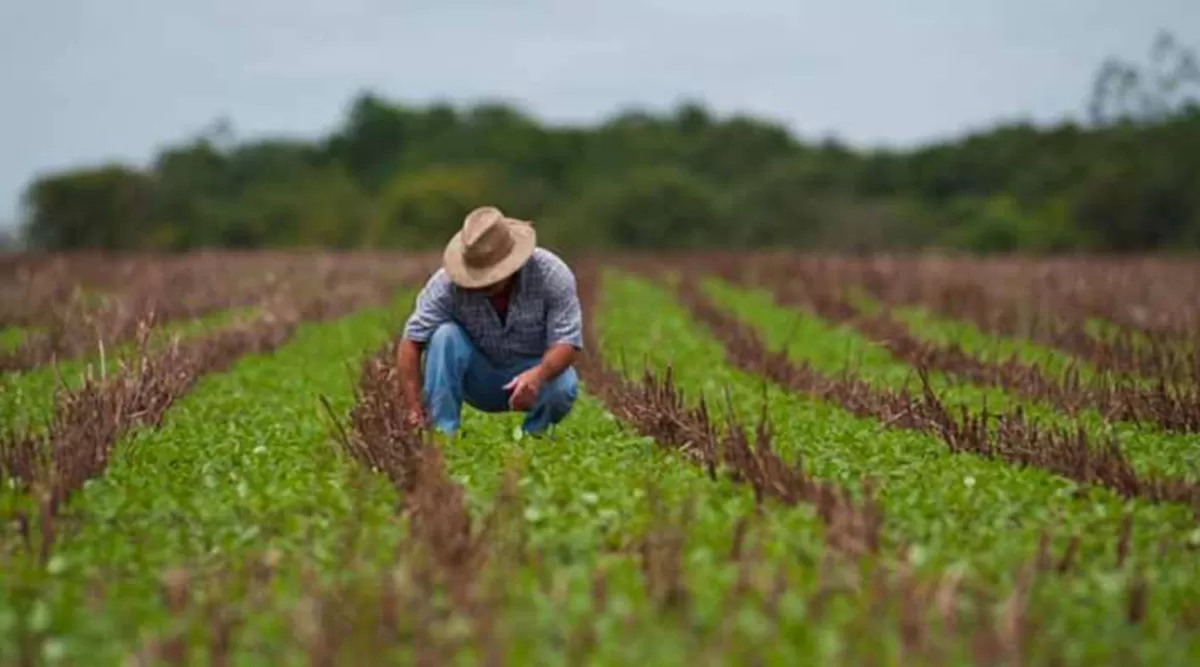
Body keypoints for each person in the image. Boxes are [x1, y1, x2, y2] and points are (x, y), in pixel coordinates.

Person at [396, 205, 583, 437]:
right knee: (444, 336)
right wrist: (414, 408)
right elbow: (411, 342)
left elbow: (568, 344)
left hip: (533, 374)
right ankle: (442, 434)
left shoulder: (552, 274)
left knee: (564, 383)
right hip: (479, 376)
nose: (484, 285)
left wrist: (537, 375)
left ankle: (534, 437)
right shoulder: (445, 285)